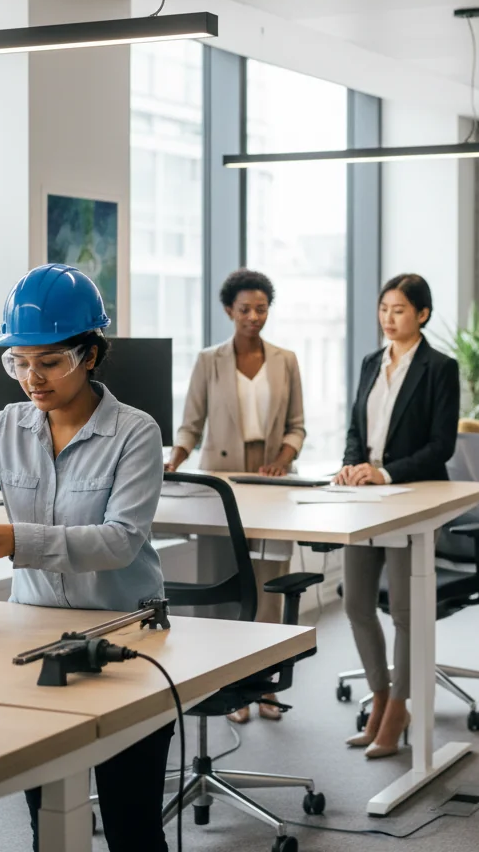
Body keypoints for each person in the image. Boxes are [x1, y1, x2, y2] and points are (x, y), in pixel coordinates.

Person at [0, 263, 172, 852]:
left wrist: (16, 540)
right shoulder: (9, 426)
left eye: (50, 362)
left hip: (125, 637)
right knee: (48, 817)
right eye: (19, 361)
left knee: (133, 827)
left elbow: (121, 540)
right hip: (36, 640)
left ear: (91, 354)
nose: (31, 377)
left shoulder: (136, 433)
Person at [166, 268, 305, 723]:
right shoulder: (209, 360)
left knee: (268, 590)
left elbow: (297, 425)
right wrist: (176, 458)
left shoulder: (285, 360)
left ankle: (264, 685)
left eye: (261, 308)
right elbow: (191, 422)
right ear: (228, 310)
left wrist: (284, 457)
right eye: (244, 309)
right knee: (226, 589)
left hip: (270, 482)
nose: (253, 317)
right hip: (222, 485)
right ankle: (227, 686)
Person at [335, 273, 459, 759]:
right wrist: (351, 465)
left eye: (400, 310)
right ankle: (381, 694)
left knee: (405, 612)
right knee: (356, 604)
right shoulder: (370, 362)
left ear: (422, 314)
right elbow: (353, 428)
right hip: (363, 500)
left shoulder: (439, 368)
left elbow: (440, 447)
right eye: (384, 308)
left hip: (409, 500)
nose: (389, 318)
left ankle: (400, 705)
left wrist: (383, 473)